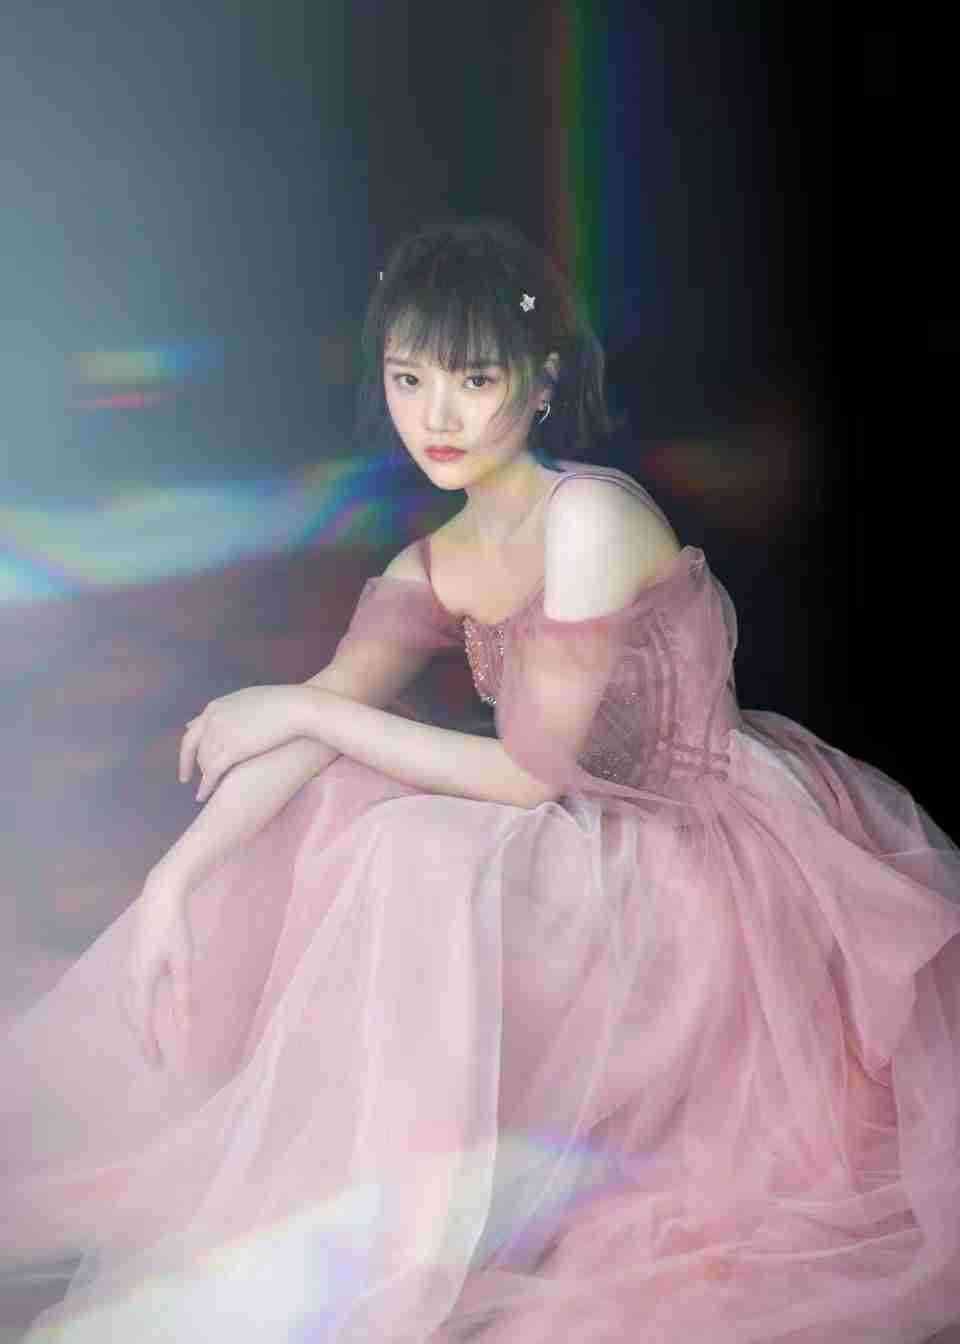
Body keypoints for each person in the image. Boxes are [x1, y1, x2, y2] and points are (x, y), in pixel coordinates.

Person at [2, 217, 959, 1344]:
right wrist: (178, 877)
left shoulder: (589, 515)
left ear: (541, 383)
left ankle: (417, 1210)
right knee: (337, 800)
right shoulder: (432, 561)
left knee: (405, 840)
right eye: (409, 379)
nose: (436, 417)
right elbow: (327, 712)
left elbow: (520, 778)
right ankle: (370, 1193)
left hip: (705, 850)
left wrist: (304, 709)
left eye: (473, 378)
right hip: (581, 846)